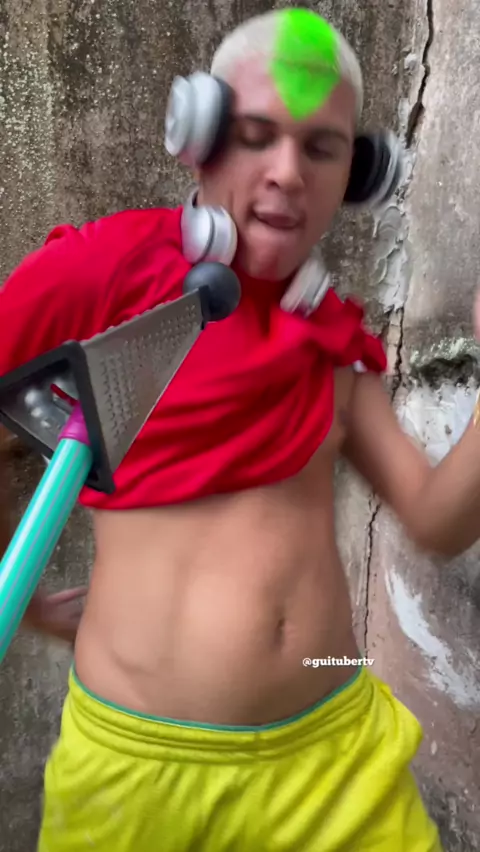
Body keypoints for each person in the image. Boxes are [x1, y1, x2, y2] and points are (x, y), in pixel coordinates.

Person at [3, 7, 477, 850]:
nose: (287, 172)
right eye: (256, 136)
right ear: (199, 138)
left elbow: (438, 521)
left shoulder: (334, 339)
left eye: (322, 148)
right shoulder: (99, 277)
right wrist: (19, 590)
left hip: (335, 761)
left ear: (358, 173)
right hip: (132, 776)